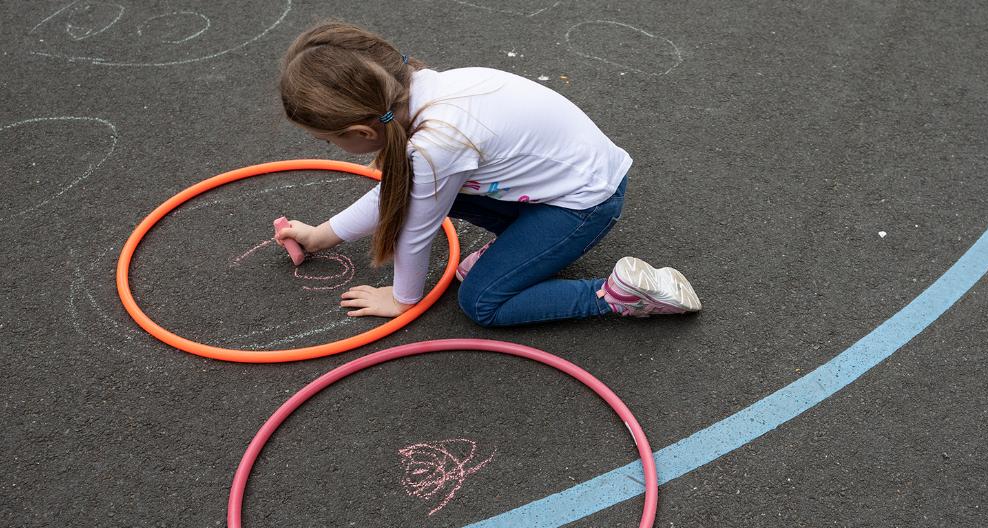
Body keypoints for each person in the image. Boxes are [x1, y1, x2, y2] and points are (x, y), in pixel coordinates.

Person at [275, 21, 701, 326]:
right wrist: (321, 235)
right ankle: (517, 253)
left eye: (329, 141)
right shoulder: (425, 90)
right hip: (563, 185)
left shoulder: (435, 145)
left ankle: (617, 295)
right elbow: (396, 196)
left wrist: (402, 299)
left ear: (361, 131)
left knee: (482, 304)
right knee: (418, 191)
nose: (332, 148)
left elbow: (415, 231)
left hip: (585, 205)